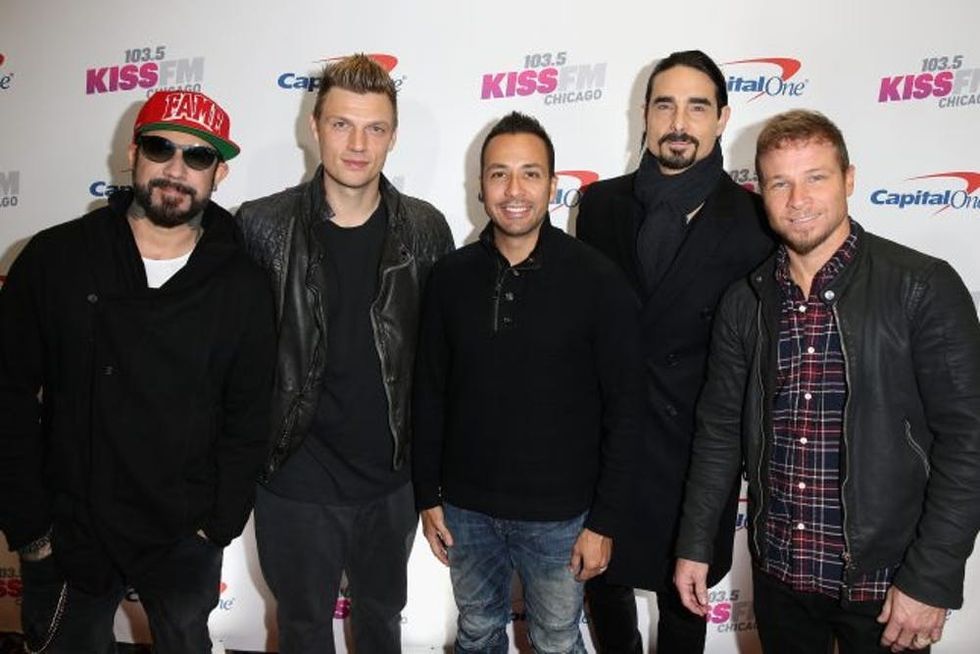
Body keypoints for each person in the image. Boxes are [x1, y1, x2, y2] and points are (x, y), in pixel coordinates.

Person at [674, 109, 980, 653]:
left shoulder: (921, 287)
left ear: (849, 179)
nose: (798, 200)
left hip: (887, 586)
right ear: (760, 193)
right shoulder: (745, 301)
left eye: (815, 177)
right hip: (781, 580)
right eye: (780, 183)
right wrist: (695, 543)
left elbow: (969, 441)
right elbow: (719, 432)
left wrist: (930, 577)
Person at [0, 90, 275, 653]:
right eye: (160, 147)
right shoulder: (56, 258)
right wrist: (31, 531)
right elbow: (6, 391)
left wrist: (217, 525)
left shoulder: (241, 282)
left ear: (219, 173)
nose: (177, 169)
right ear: (133, 152)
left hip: (184, 533)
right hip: (70, 525)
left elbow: (249, 414)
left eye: (198, 158)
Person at [236, 54, 454, 654]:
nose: (357, 144)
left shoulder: (427, 230)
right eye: (341, 125)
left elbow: (441, 366)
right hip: (293, 480)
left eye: (374, 128)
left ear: (392, 135)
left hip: (391, 480)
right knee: (303, 630)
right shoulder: (262, 227)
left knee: (382, 623)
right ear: (314, 126)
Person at [413, 111, 642, 654]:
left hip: (562, 518)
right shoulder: (449, 277)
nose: (514, 190)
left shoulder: (598, 280)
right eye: (499, 174)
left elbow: (627, 409)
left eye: (530, 174)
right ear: (480, 186)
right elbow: (428, 392)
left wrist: (604, 520)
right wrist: (427, 494)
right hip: (466, 510)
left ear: (553, 185)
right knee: (476, 632)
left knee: (558, 640)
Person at [575, 49, 773, 652]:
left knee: (686, 598)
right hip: (607, 445)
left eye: (696, 106)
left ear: (722, 118)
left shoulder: (754, 220)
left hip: (697, 452)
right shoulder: (601, 206)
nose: (679, 122)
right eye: (665, 105)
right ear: (645, 114)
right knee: (602, 587)